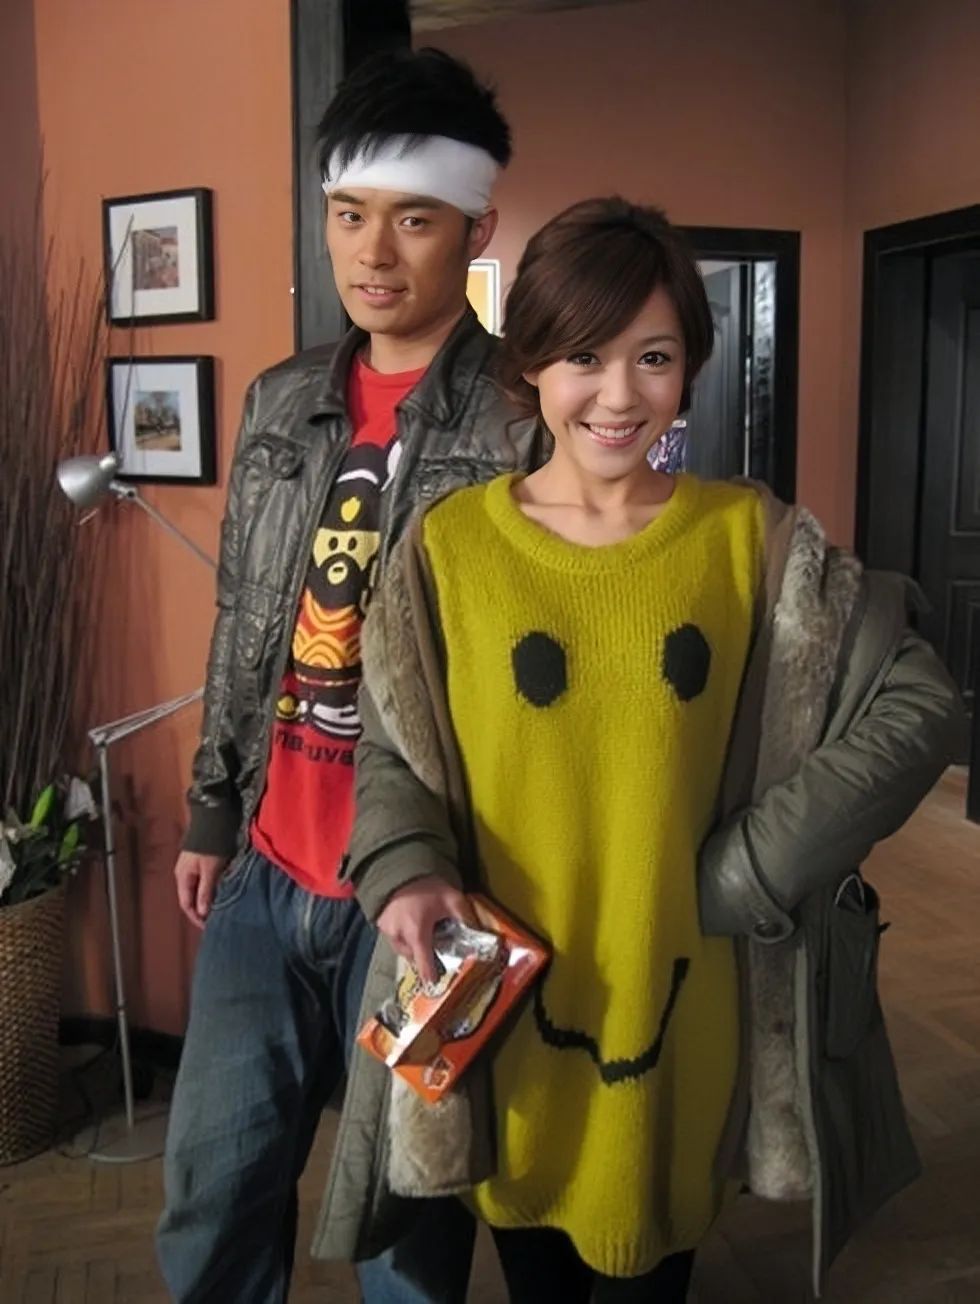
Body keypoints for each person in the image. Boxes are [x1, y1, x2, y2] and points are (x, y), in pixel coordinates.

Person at [314, 198, 964, 1301]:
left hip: (682, 1009)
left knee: (651, 1271)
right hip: (503, 1013)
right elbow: (393, 743)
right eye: (583, 355)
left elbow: (921, 703)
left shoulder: (751, 542)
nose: (619, 395)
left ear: (688, 367)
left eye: (652, 357)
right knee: (533, 1267)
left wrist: (749, 869)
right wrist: (406, 865)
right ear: (529, 362)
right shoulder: (448, 547)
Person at [156, 47, 543, 1304]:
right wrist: (214, 805)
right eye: (348, 213)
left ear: (476, 228)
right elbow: (243, 617)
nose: (372, 252)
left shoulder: (526, 417)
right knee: (213, 1189)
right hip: (267, 869)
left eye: (413, 220)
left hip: (430, 891)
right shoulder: (280, 401)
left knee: (406, 1218)